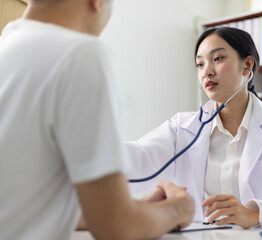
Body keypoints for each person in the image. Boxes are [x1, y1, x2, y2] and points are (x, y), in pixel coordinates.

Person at [0, 0, 194, 239]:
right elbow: (117, 227)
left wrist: (135, 208)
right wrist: (180, 208)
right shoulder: (81, 54)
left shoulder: (8, 44)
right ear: (98, 2)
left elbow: (25, 207)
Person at [125, 27, 262, 229]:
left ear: (247, 65)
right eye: (200, 64)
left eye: (217, 58)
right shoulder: (182, 128)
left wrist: (255, 215)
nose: (206, 71)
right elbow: (136, 158)